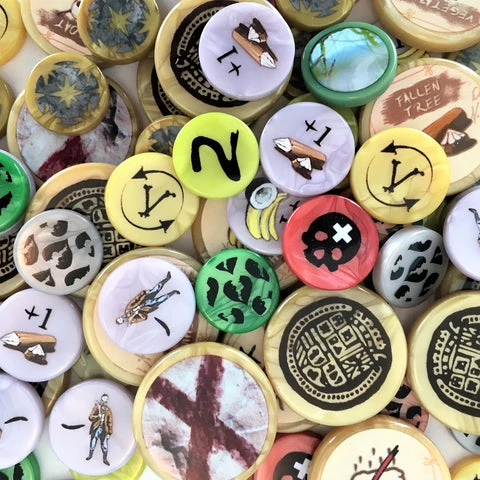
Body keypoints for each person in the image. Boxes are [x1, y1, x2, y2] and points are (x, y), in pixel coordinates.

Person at [85, 393, 113, 466]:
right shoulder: (96, 408)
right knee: (93, 442)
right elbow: (90, 417)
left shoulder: (108, 410)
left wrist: (109, 433)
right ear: (101, 399)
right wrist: (98, 416)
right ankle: (90, 456)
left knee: (104, 445)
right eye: (103, 400)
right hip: (96, 428)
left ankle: (105, 459)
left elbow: (110, 422)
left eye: (106, 400)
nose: (104, 401)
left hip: (104, 429)